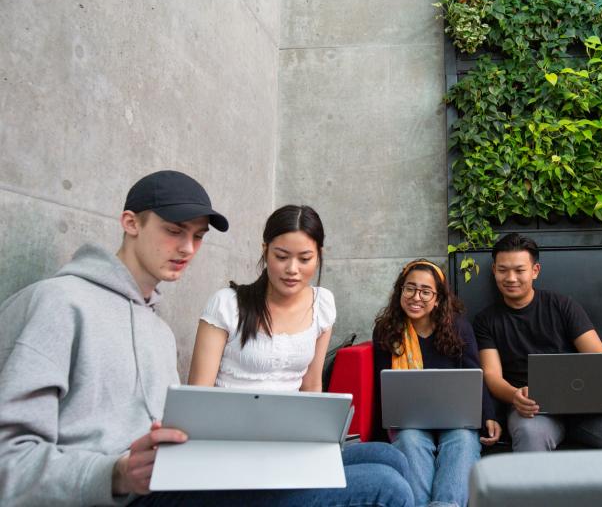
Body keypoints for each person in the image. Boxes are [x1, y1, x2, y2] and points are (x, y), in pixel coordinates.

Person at [0, 171, 413, 507]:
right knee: (384, 486)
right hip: (128, 490)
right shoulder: (58, 303)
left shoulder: (156, 329)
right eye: (174, 231)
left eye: (197, 236)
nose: (187, 248)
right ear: (130, 223)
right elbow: (9, 462)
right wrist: (116, 474)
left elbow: (183, 424)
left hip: (185, 469)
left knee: (388, 458)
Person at [186, 203, 412, 500]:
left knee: (392, 458)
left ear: (319, 255)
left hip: (290, 444)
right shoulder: (227, 304)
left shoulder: (322, 304)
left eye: (304, 258)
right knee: (388, 485)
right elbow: (196, 400)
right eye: (281, 257)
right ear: (265, 250)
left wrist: (318, 445)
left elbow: (311, 385)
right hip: (237, 449)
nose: (292, 269)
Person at [473, 233, 602, 452]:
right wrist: (515, 396)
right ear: (494, 271)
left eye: (519, 270)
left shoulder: (562, 306)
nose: (510, 278)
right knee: (530, 433)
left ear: (535, 271)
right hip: (532, 410)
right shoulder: (485, 320)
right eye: (502, 270)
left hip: (586, 406)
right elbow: (491, 376)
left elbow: (601, 359)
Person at [372, 260, 501, 507]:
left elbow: (474, 373)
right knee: (410, 440)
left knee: (463, 440)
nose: (415, 297)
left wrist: (489, 416)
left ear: (438, 299)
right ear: (400, 291)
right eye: (409, 288)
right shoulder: (387, 330)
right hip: (408, 419)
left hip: (455, 418)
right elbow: (385, 385)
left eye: (425, 291)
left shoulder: (459, 328)